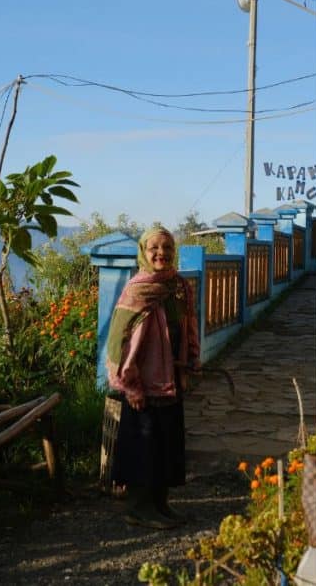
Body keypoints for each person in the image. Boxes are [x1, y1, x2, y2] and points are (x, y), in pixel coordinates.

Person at [107, 226, 200, 529]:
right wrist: (128, 384)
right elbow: (117, 339)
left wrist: (188, 366)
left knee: (167, 443)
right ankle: (139, 509)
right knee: (143, 444)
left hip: (171, 376)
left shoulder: (178, 287)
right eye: (154, 249)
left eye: (168, 248)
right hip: (142, 382)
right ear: (143, 253)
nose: (161, 253)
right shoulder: (137, 289)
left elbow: (188, 326)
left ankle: (160, 504)